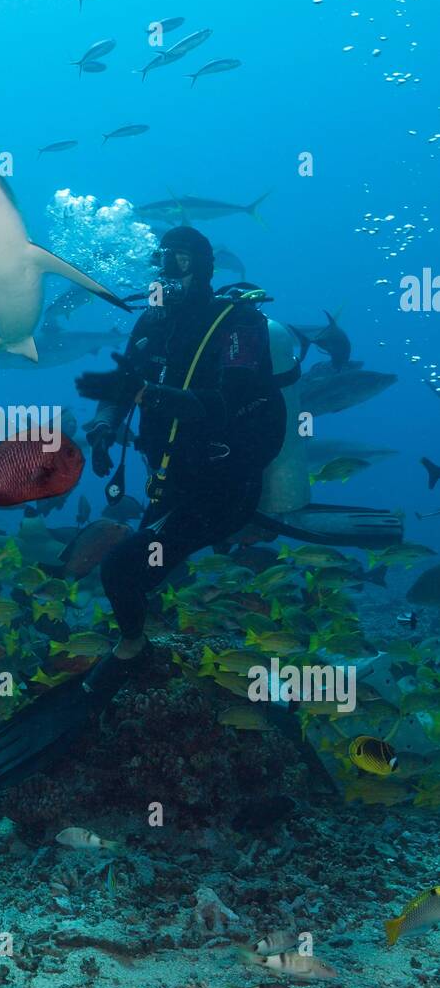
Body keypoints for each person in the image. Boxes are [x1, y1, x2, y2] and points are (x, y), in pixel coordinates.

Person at [74, 225, 287, 689]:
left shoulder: (238, 322)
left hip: (221, 487)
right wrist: (103, 427)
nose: (169, 273)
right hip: (170, 483)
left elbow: (227, 403)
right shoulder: (151, 323)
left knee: (120, 571)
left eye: (182, 260)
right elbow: (120, 385)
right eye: (163, 261)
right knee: (145, 574)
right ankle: (157, 634)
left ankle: (133, 654)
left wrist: (149, 394)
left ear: (206, 266)